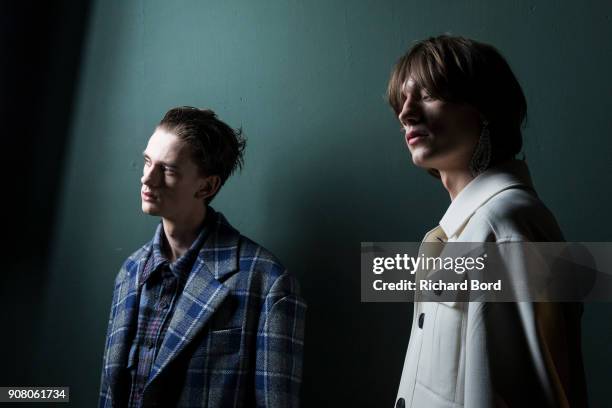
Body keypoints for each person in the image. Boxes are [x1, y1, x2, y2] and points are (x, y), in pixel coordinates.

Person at [387, 35, 587, 407]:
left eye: (428, 94)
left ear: (485, 108)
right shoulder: (462, 231)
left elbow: (535, 392)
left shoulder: (506, 227)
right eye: (402, 100)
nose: (406, 113)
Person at [98, 107, 306, 407]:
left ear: (207, 186)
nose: (148, 179)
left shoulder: (268, 283)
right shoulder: (130, 271)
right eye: (147, 162)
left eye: (167, 170)